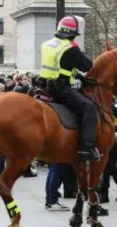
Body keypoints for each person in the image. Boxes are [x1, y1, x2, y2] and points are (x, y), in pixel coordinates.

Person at [40, 15, 99, 161]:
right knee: (88, 108)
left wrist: (78, 77)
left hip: (45, 85)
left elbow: (63, 67)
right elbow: (87, 65)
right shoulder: (70, 47)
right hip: (61, 89)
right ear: (74, 33)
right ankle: (87, 148)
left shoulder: (47, 44)